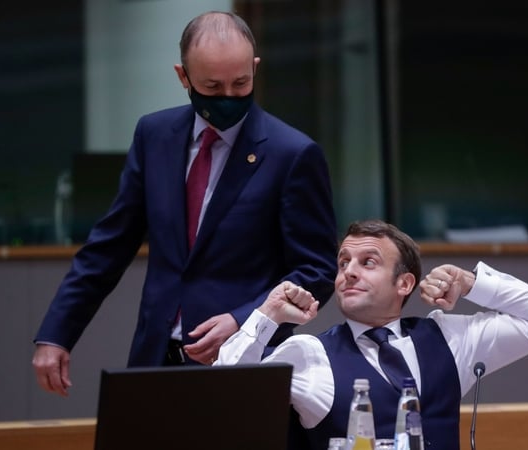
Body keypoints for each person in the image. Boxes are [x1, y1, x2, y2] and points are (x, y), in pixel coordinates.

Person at [32, 11, 338, 397]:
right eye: (212, 86)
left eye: (240, 83)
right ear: (184, 77)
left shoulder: (292, 154)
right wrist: (57, 333)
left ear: (255, 69)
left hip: (244, 364)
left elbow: (316, 270)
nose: (228, 97)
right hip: (154, 360)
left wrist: (246, 321)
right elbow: (108, 247)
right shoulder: (154, 135)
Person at [216, 219, 528, 450]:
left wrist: (471, 283)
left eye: (368, 262)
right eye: (343, 262)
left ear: (404, 283)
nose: (349, 272)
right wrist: (266, 315)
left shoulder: (448, 338)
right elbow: (223, 400)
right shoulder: (309, 353)